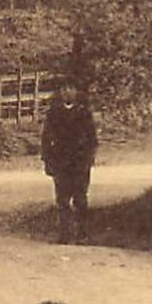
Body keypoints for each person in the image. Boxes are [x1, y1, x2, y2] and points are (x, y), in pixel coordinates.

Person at [41, 73, 97, 243]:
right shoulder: (53, 113)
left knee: (80, 198)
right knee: (62, 199)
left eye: (71, 88)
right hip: (60, 162)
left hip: (79, 162)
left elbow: (92, 139)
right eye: (64, 89)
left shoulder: (84, 113)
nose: (67, 92)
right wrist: (48, 160)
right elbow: (46, 139)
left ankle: (82, 233)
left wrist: (88, 159)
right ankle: (65, 233)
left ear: (76, 92)